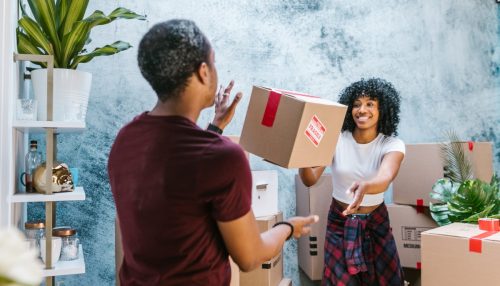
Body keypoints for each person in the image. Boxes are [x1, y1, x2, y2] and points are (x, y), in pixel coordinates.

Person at [108, 19, 318, 286]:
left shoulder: (126, 139)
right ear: (203, 72)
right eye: (214, 62)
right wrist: (288, 228)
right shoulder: (223, 158)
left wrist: (215, 127)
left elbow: (176, 187)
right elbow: (250, 257)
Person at [299, 78, 406, 285]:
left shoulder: (392, 144)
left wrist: (365, 186)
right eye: (356, 104)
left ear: (383, 108)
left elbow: (385, 177)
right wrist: (300, 154)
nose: (361, 110)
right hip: (340, 223)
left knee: (386, 280)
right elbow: (310, 179)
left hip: (376, 224)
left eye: (370, 104)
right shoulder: (335, 139)